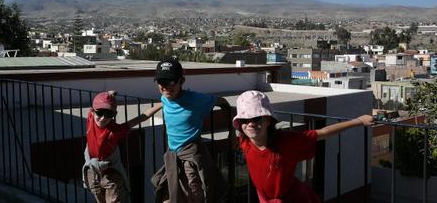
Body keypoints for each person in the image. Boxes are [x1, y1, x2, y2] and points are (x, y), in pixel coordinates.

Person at [233, 90, 374, 203]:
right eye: (244, 120)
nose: (250, 124)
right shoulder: (245, 142)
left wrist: (358, 121)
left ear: (268, 120)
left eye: (256, 118)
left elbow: (323, 133)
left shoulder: (287, 142)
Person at [151, 57, 232, 203]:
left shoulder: (197, 100)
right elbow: (161, 104)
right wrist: (138, 119)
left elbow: (223, 101)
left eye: (171, 82)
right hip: (173, 156)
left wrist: (231, 130)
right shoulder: (165, 98)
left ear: (182, 81)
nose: (165, 87)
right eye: (161, 82)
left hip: (191, 158)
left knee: (195, 194)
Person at [83, 90, 163, 203]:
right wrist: (108, 93)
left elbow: (142, 117)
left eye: (108, 114)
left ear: (114, 115)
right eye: (100, 113)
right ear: (93, 111)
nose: (102, 118)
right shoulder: (91, 118)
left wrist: (163, 103)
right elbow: (101, 103)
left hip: (110, 174)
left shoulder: (115, 130)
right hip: (93, 171)